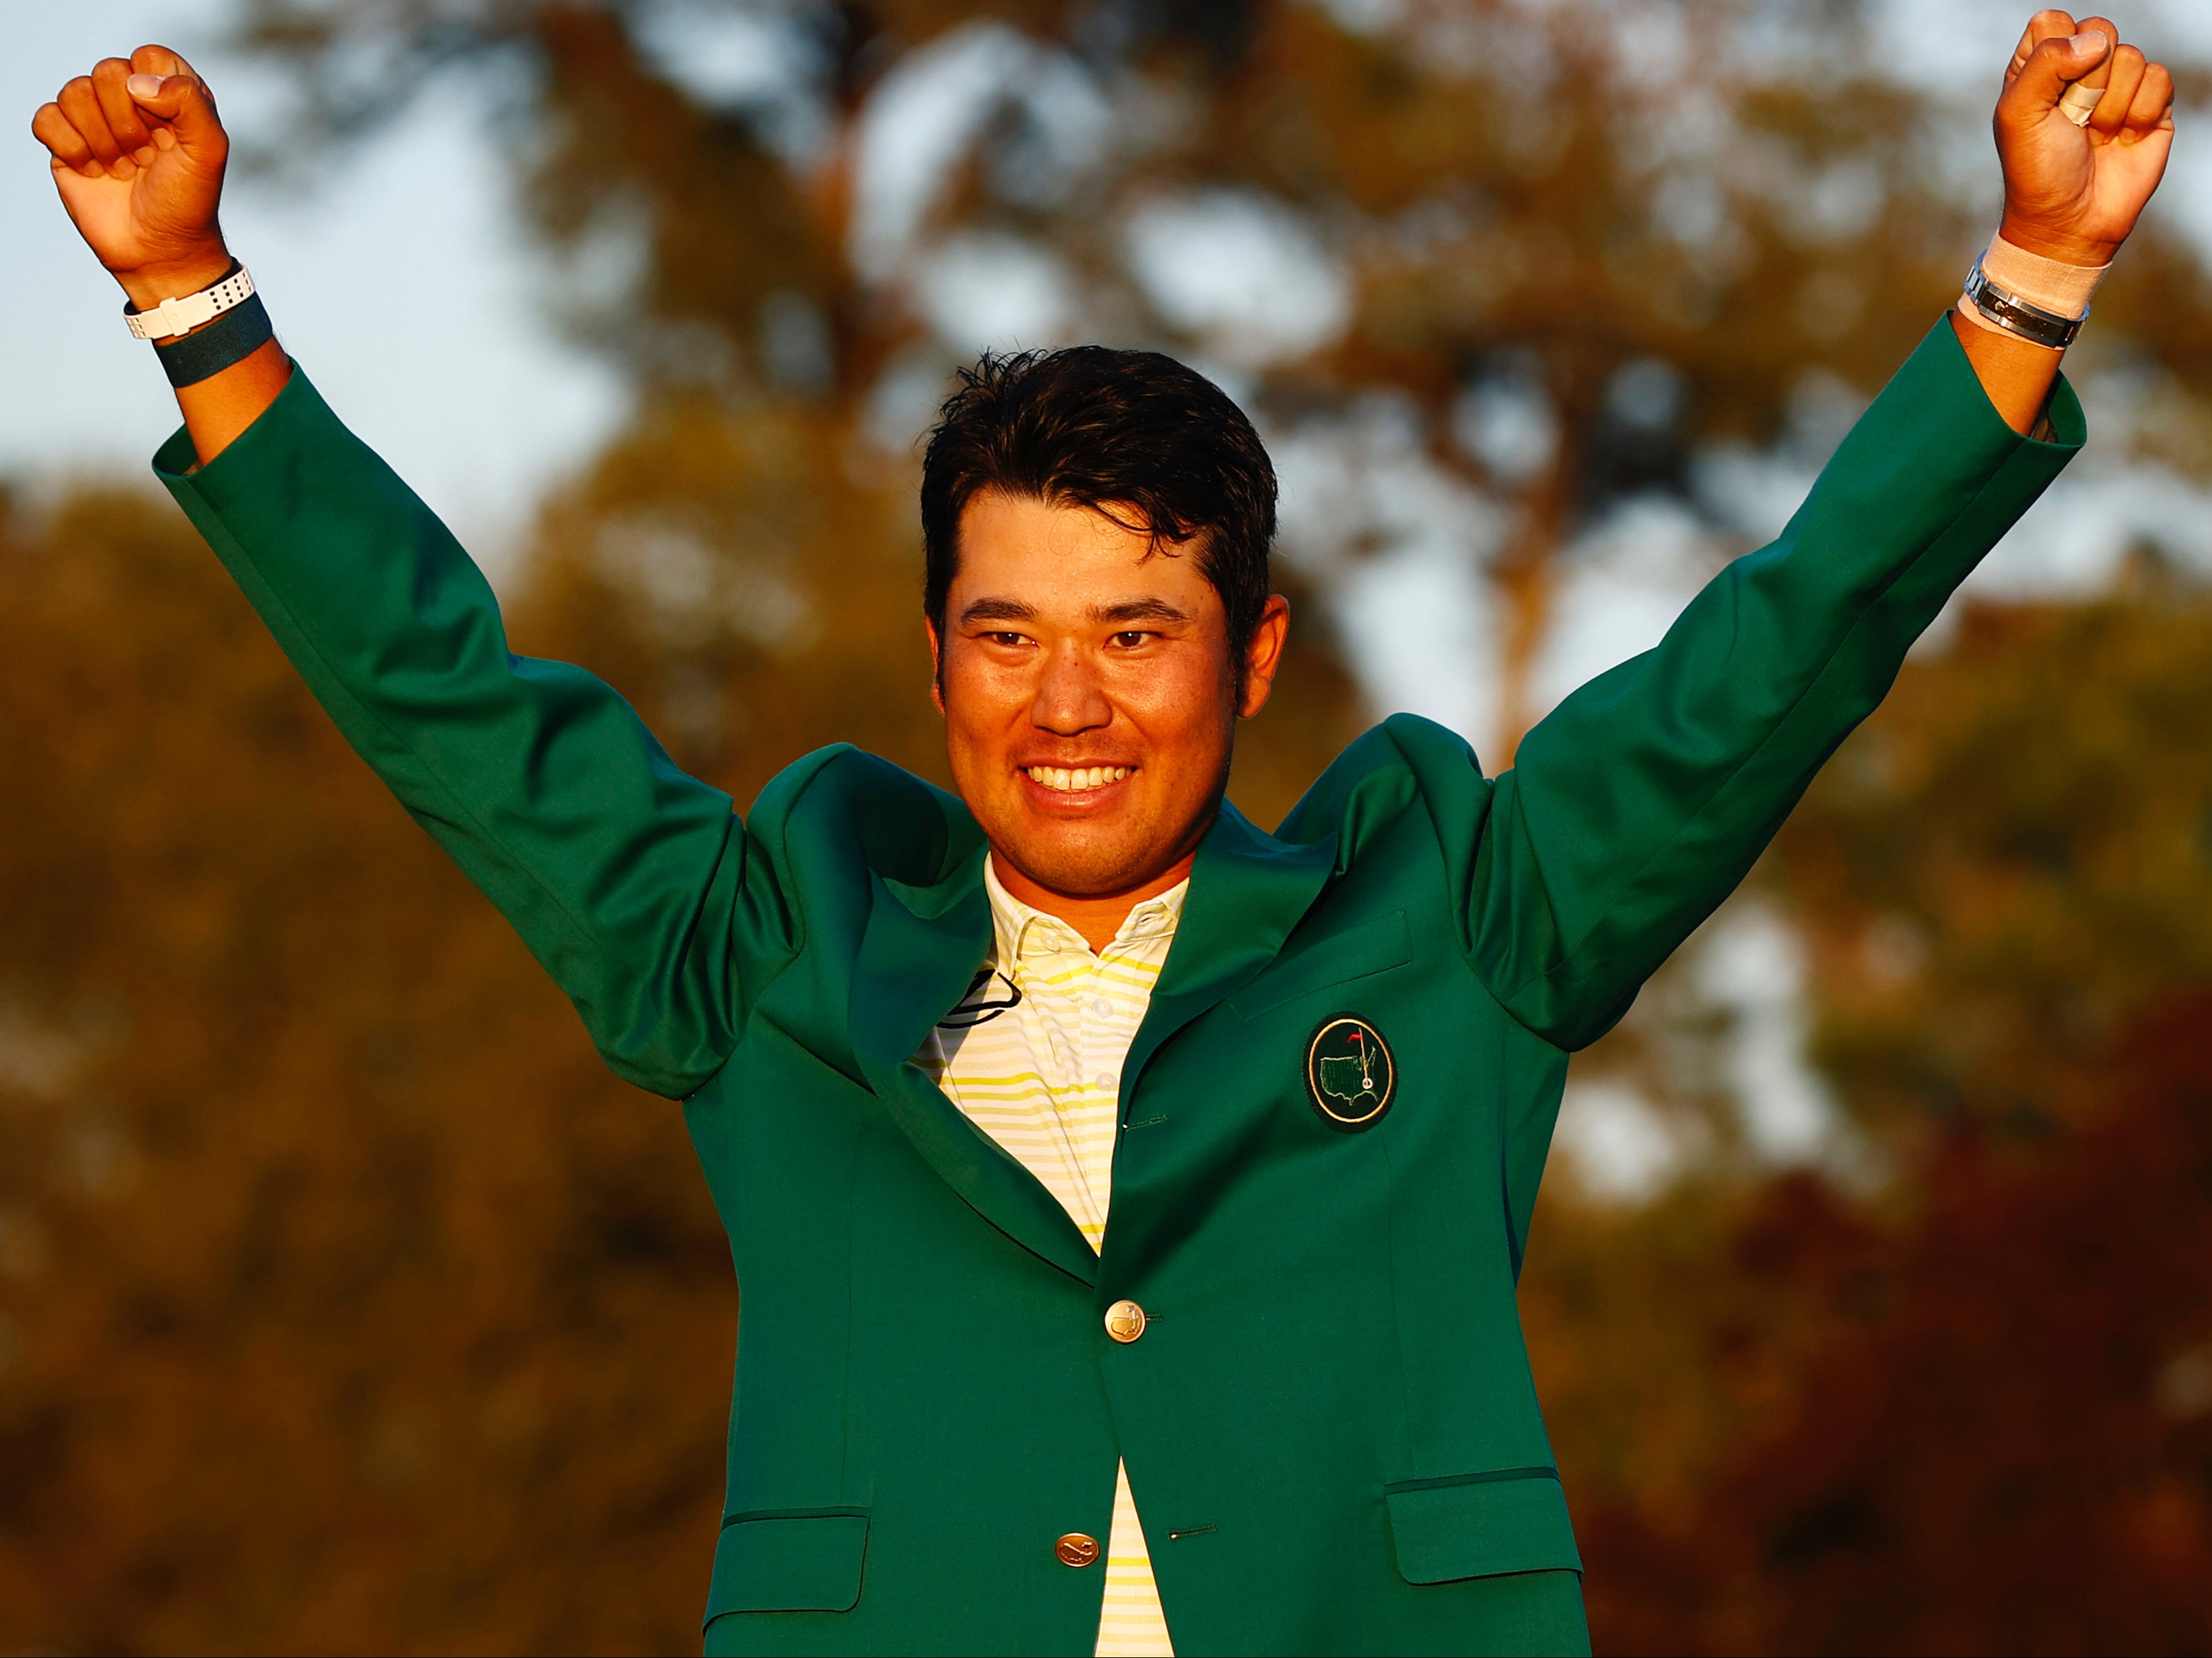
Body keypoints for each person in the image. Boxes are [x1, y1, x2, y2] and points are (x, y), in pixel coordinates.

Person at [30, 10, 2174, 1655]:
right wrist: (199, 305)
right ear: (937, 655)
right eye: (1010, 635)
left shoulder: (1455, 920)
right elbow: (450, 705)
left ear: (1251, 660)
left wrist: (2031, 276)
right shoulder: (760, 948)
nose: (1067, 705)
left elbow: (1770, 663)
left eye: (1137, 634)